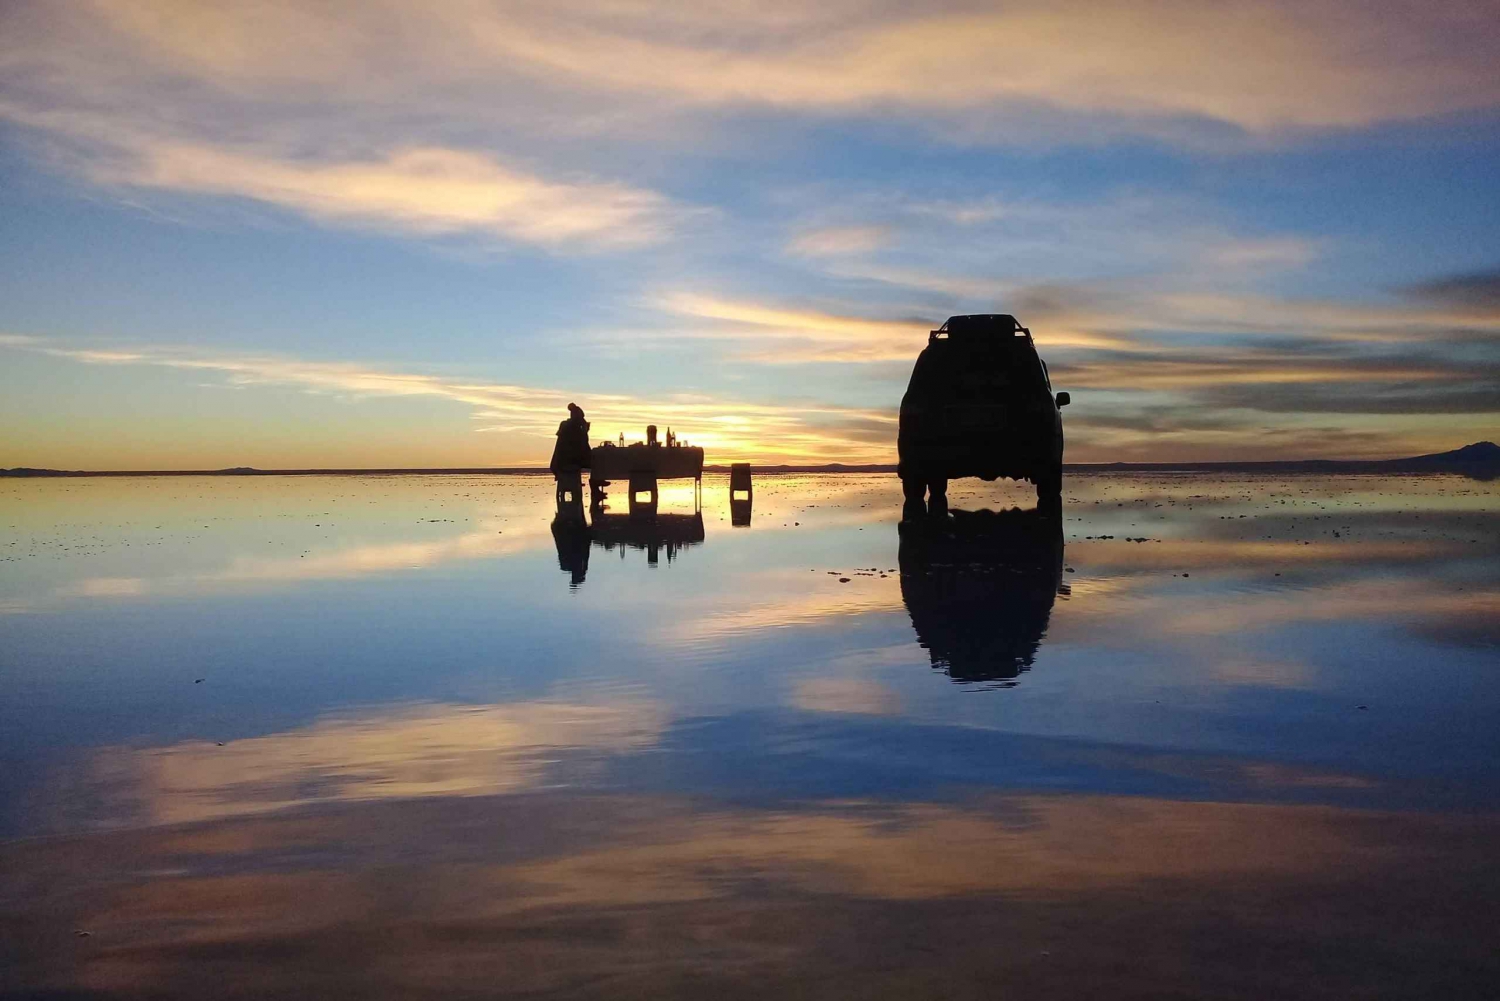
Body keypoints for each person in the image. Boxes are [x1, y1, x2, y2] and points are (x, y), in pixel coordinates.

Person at [549, 402, 592, 476]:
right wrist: (585, 431)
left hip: (561, 461)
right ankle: (595, 482)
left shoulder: (565, 425)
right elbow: (583, 447)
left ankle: (595, 482)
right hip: (571, 460)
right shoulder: (575, 430)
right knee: (596, 461)